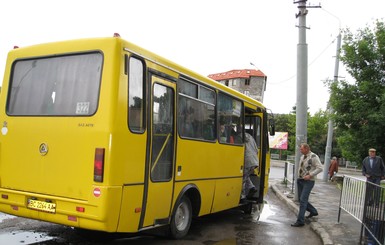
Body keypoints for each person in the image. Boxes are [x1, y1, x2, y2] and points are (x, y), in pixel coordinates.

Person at [291, 143, 323, 227]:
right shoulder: (302, 157)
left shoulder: (313, 157)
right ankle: (313, 211)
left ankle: (300, 221)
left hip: (309, 181)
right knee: (301, 199)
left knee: (303, 200)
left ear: (306, 149)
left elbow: (320, 168)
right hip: (301, 180)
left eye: (301, 149)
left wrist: (310, 175)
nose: (300, 150)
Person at [241, 132, 259, 200]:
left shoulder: (239, 137)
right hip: (254, 161)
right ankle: (252, 187)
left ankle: (242, 196)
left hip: (247, 161)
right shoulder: (250, 137)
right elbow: (256, 150)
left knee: (242, 178)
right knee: (246, 176)